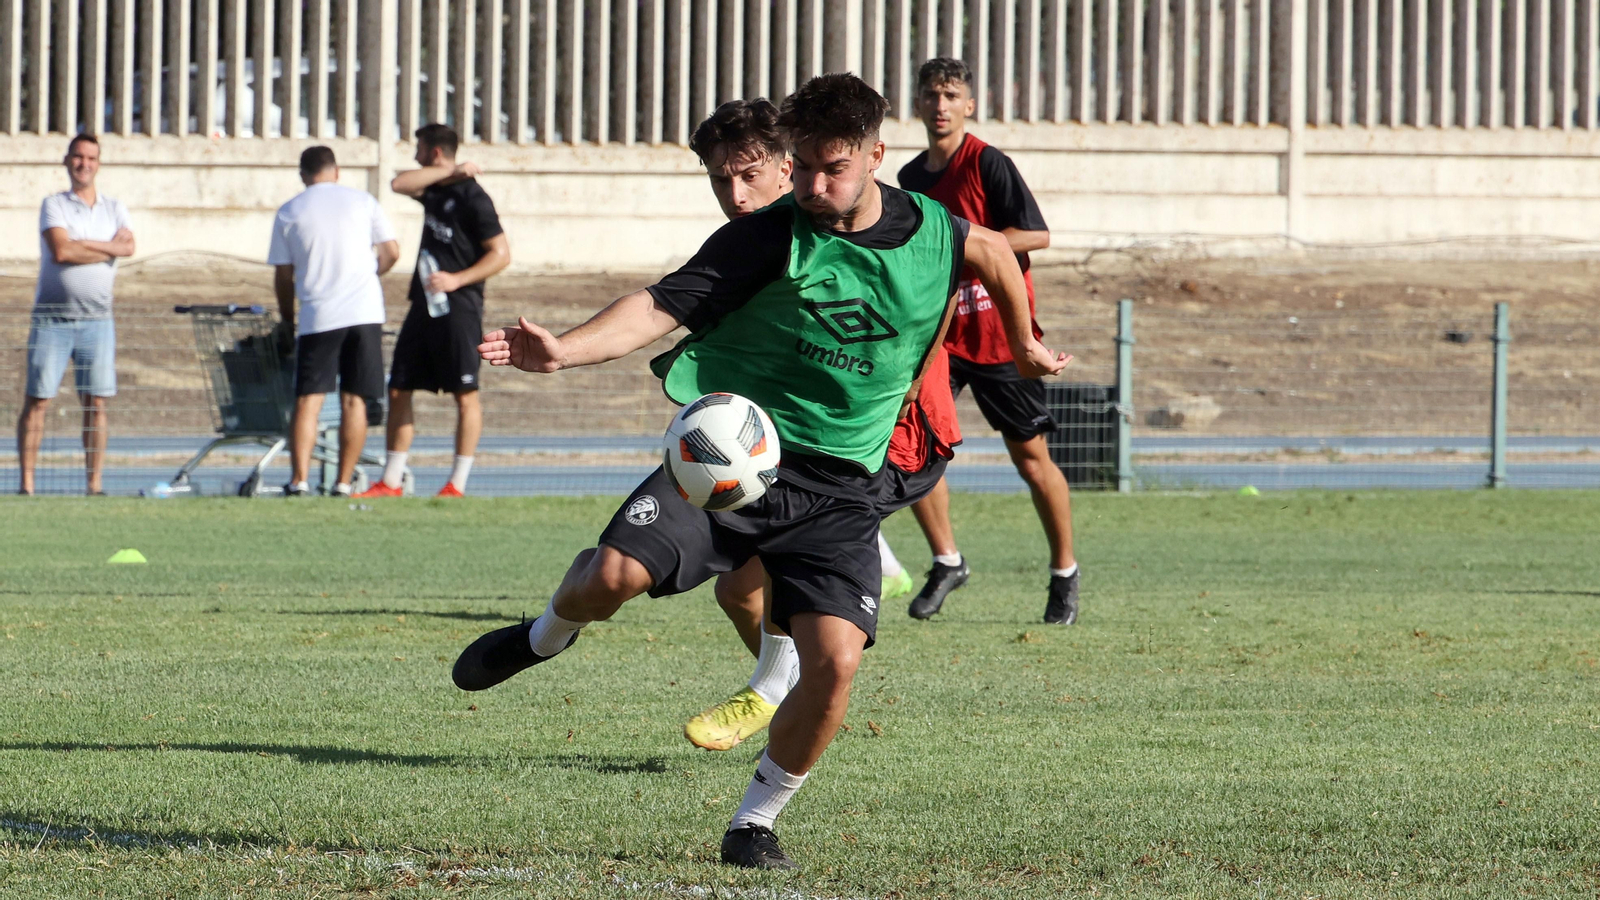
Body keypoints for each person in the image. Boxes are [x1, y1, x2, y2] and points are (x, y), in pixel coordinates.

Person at [452, 74, 1067, 870]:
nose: (812, 185)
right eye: (802, 166)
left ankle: (754, 822)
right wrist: (565, 350)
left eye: (832, 169)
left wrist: (1021, 344)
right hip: (731, 458)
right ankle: (543, 637)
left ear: (876, 157)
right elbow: (658, 305)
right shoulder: (768, 236)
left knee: (835, 665)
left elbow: (995, 252)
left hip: (840, 487)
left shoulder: (938, 232)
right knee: (607, 579)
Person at [681, 99, 963, 754]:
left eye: (750, 176)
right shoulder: (767, 243)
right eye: (721, 180)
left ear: (789, 167)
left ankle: (778, 690)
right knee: (737, 592)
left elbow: (973, 258)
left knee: (751, 582)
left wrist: (922, 369)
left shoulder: (863, 227)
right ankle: (798, 690)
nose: (735, 195)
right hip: (803, 442)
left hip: (891, 438)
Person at [898, 57, 1082, 626]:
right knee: (913, 448)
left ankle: (1065, 573)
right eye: (932, 95)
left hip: (1000, 335)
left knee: (1031, 459)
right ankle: (947, 561)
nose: (941, 105)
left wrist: (968, 245)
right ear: (918, 104)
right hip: (940, 338)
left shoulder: (987, 163)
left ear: (969, 105)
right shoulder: (909, 179)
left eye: (951, 95)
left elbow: (1037, 234)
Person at [357, 124, 510, 498]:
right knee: (399, 389)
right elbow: (398, 183)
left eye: (420, 149)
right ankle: (391, 481)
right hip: (423, 307)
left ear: (435, 152)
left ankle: (456, 484)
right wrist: (451, 171)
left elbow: (501, 254)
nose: (415, 156)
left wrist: (457, 279)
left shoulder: (474, 197)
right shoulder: (439, 187)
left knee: (465, 394)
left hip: (460, 310)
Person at [267, 145, 401, 496]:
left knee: (308, 400)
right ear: (336, 171)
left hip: (319, 315)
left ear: (302, 174)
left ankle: (299, 480)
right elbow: (392, 252)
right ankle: (342, 483)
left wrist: (287, 318)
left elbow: (283, 275)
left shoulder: (290, 211)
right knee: (355, 400)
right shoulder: (363, 201)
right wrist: (368, 276)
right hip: (364, 312)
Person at [16, 134, 134, 496]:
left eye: (91, 158)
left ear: (99, 163)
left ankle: (94, 486)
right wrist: (108, 248)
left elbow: (129, 246)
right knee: (39, 400)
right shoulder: (54, 205)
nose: (84, 164)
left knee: (96, 403)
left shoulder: (114, 208)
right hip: (52, 319)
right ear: (67, 161)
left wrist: (85, 244)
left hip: (98, 321)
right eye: (78, 157)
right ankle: (27, 486)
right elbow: (61, 252)